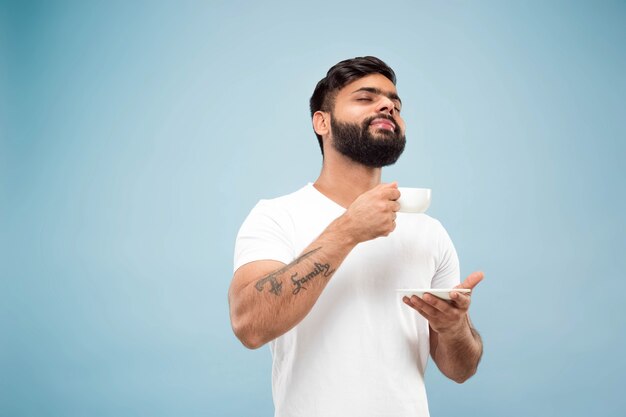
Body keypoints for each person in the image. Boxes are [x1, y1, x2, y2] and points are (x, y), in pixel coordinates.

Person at [228, 56, 483, 417]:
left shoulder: (429, 232)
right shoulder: (276, 216)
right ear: (322, 122)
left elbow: (461, 369)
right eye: (366, 98)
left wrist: (454, 328)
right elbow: (249, 325)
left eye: (395, 103)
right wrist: (349, 229)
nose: (387, 106)